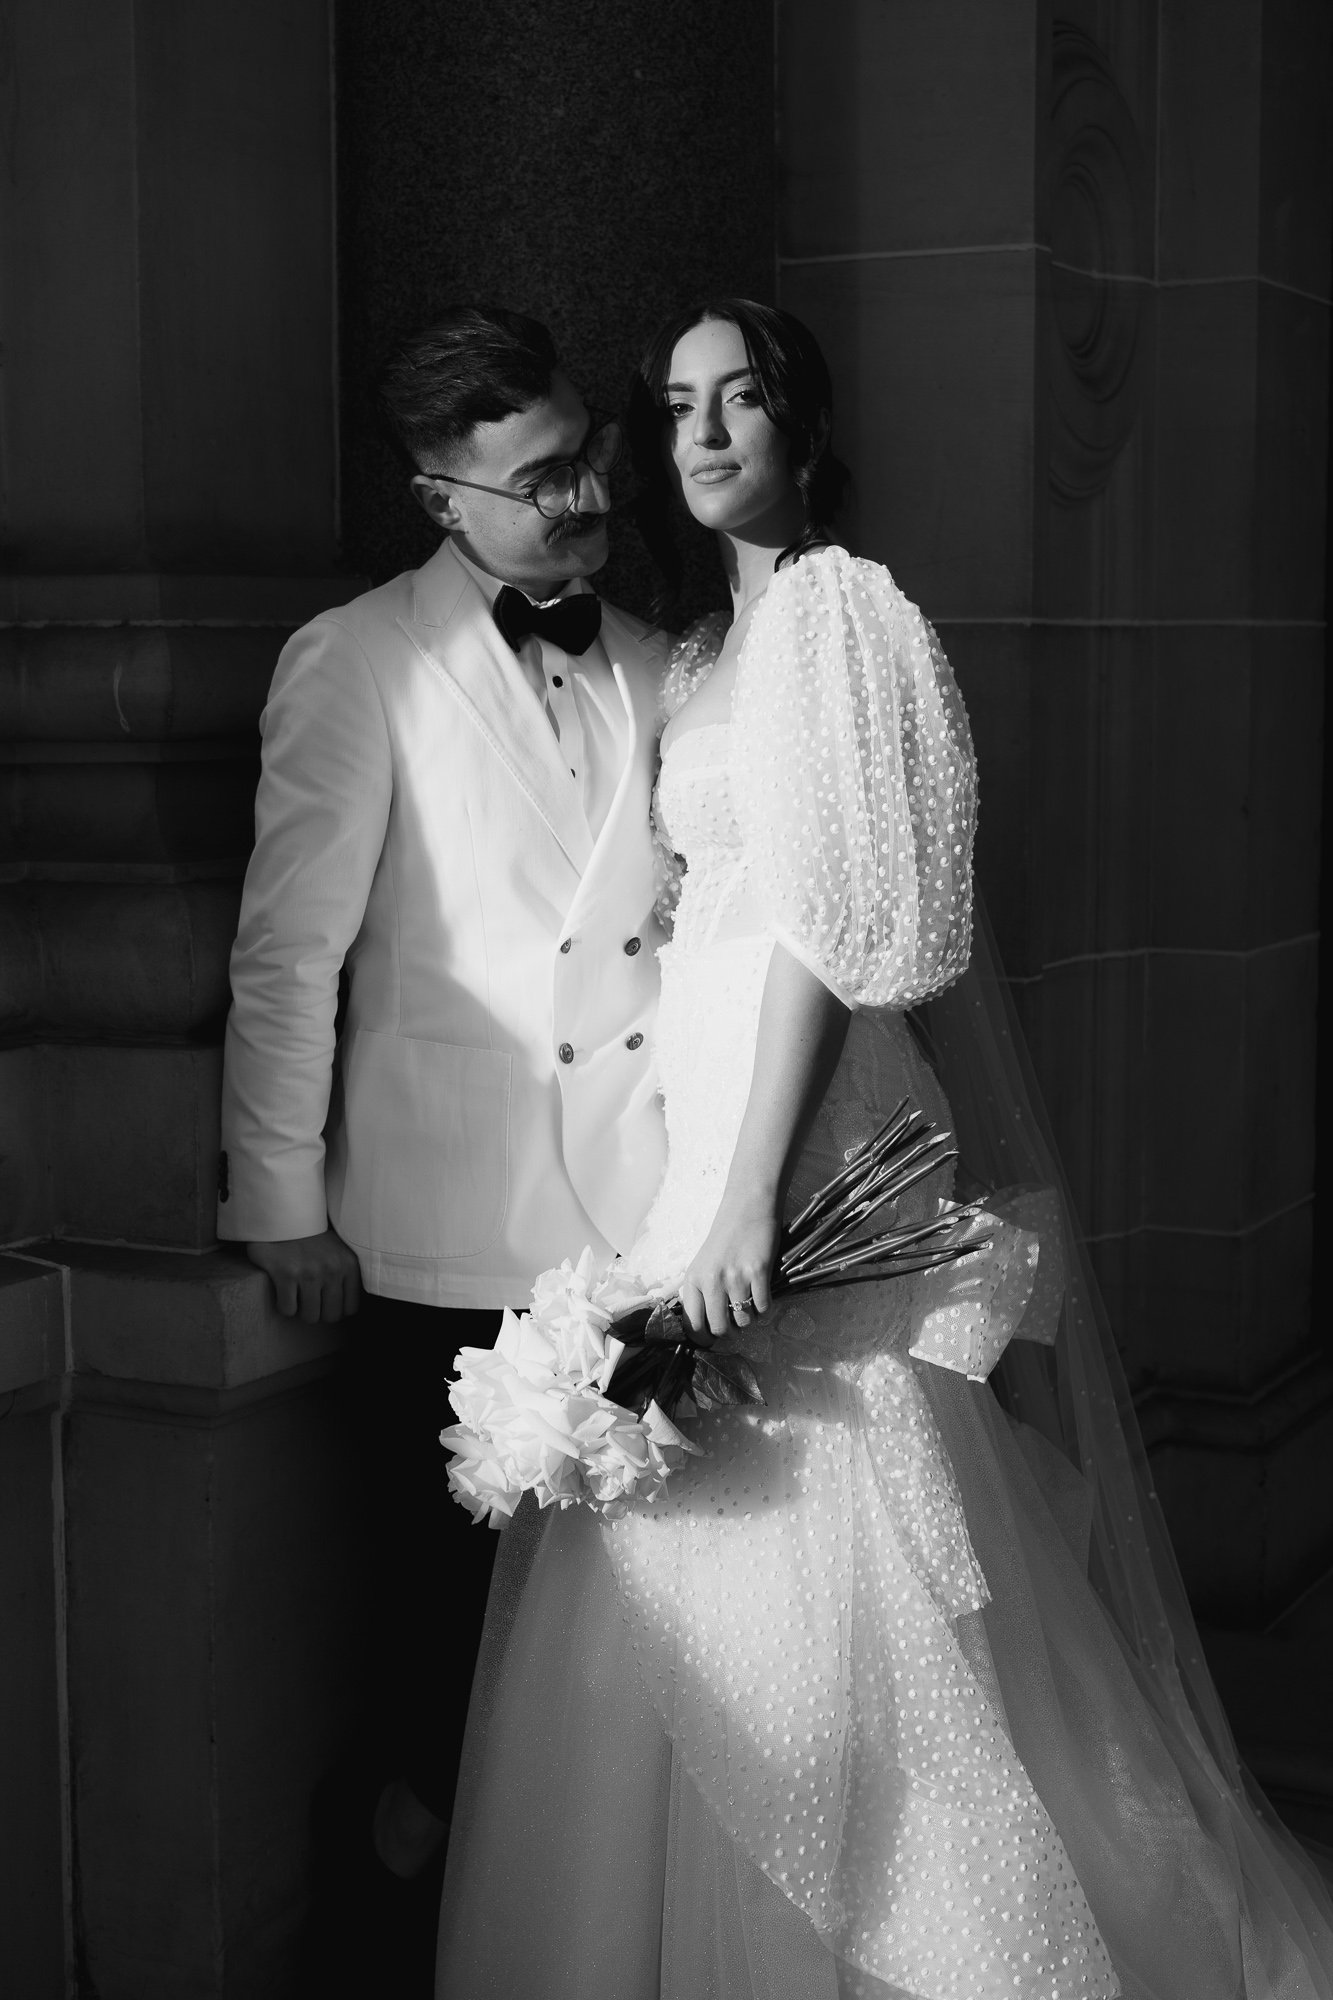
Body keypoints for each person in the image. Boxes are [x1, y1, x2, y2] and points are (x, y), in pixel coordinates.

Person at [435, 301, 1333, 1998]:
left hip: (797, 1115)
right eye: (677, 406)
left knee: (836, 1492)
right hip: (708, 1112)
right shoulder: (705, 652)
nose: (705, 434)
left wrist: (747, 1196)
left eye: (740, 398)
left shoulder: (838, 613)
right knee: (696, 1510)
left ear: (804, 422)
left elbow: (824, 929)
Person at [216, 305, 669, 1984]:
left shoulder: (654, 659)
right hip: (438, 1240)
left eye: (586, 455)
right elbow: (291, 952)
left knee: (610, 1654)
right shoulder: (355, 661)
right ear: (439, 498)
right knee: (441, 1644)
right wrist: (279, 1201)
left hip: (635, 1231)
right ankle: (392, 1928)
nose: (584, 494)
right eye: (539, 477)